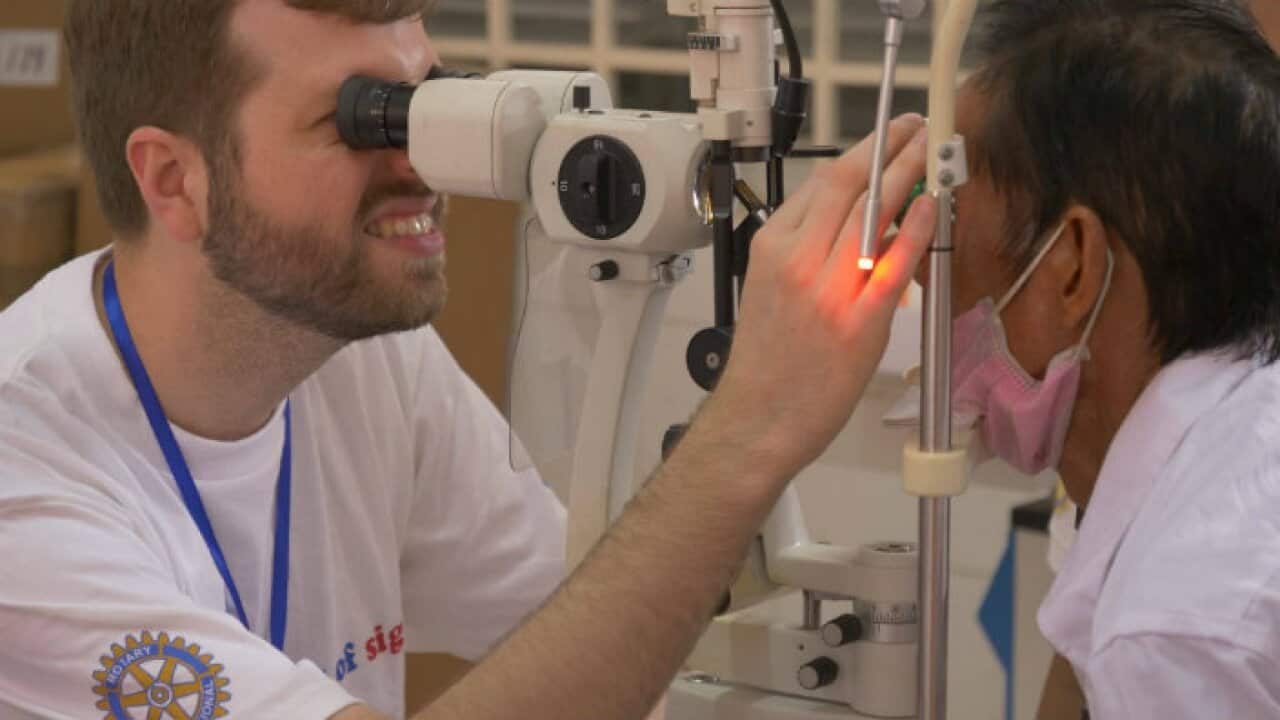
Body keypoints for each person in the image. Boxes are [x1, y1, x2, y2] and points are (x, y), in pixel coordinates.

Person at [0, 1, 936, 718]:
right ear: (174, 180)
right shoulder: (23, 481)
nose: (422, 161)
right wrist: (749, 431)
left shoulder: (364, 359)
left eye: (430, 100)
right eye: (367, 119)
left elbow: (587, 639)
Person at [938, 0, 1280, 716]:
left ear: (1072, 264)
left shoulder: (1177, 629)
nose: (920, 272)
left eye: (950, 223)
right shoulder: (1239, 431)